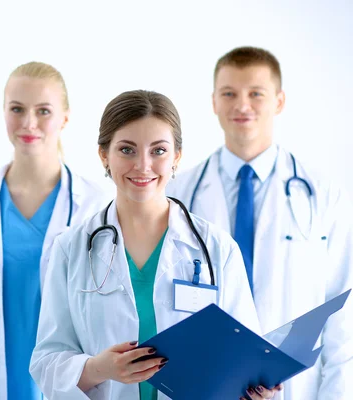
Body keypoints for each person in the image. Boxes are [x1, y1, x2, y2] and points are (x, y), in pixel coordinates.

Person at [30, 90, 282, 400]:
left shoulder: (217, 249)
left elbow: (245, 358)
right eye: (127, 149)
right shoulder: (72, 249)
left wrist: (259, 391)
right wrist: (100, 368)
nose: (143, 165)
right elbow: (46, 362)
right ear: (103, 155)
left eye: (158, 150)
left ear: (176, 156)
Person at [166, 46, 353, 400]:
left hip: (296, 386)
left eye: (256, 94)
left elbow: (343, 315)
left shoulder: (323, 196)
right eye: (229, 94)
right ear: (213, 102)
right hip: (204, 380)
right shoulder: (179, 194)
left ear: (279, 101)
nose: (242, 105)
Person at [0, 61, 112, 400]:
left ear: (65, 118)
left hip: (69, 384)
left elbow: (112, 307)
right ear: (3, 113)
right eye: (17, 109)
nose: (28, 123)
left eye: (43, 110)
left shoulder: (96, 207)